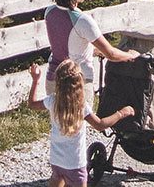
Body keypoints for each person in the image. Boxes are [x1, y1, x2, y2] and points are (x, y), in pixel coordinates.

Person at [29, 58, 133, 187]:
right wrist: (121, 113)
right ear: (79, 83)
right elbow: (100, 125)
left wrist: (35, 80)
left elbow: (32, 104)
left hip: (56, 161)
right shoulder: (81, 107)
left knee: (58, 179)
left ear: (58, 82)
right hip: (75, 164)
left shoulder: (53, 101)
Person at [45, 0, 139, 85]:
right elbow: (111, 54)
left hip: (53, 79)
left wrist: (93, 50)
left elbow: (65, 44)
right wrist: (131, 56)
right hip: (77, 83)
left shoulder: (50, 11)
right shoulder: (82, 20)